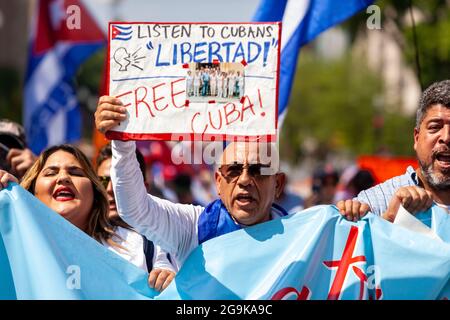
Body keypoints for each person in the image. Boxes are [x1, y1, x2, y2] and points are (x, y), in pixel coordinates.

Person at [95, 95, 288, 264]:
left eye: (258, 171)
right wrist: (122, 141)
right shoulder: (193, 228)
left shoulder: (302, 238)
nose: (245, 180)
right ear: (218, 182)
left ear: (278, 184)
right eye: (234, 170)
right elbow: (134, 209)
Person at [0, 144, 173, 291]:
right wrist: (10, 201)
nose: (63, 178)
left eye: (76, 172)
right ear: (31, 191)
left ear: (95, 193)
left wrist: (169, 283)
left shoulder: (142, 246)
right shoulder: (11, 243)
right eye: (51, 173)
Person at [338, 80, 450, 221]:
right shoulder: (371, 206)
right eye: (435, 127)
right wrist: (387, 220)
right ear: (416, 138)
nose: (446, 137)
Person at [96, 144, 177, 290]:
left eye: (119, 181)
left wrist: (166, 278)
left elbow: (164, 266)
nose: (109, 189)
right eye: (103, 181)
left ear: (143, 188)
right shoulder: (76, 229)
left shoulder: (157, 240)